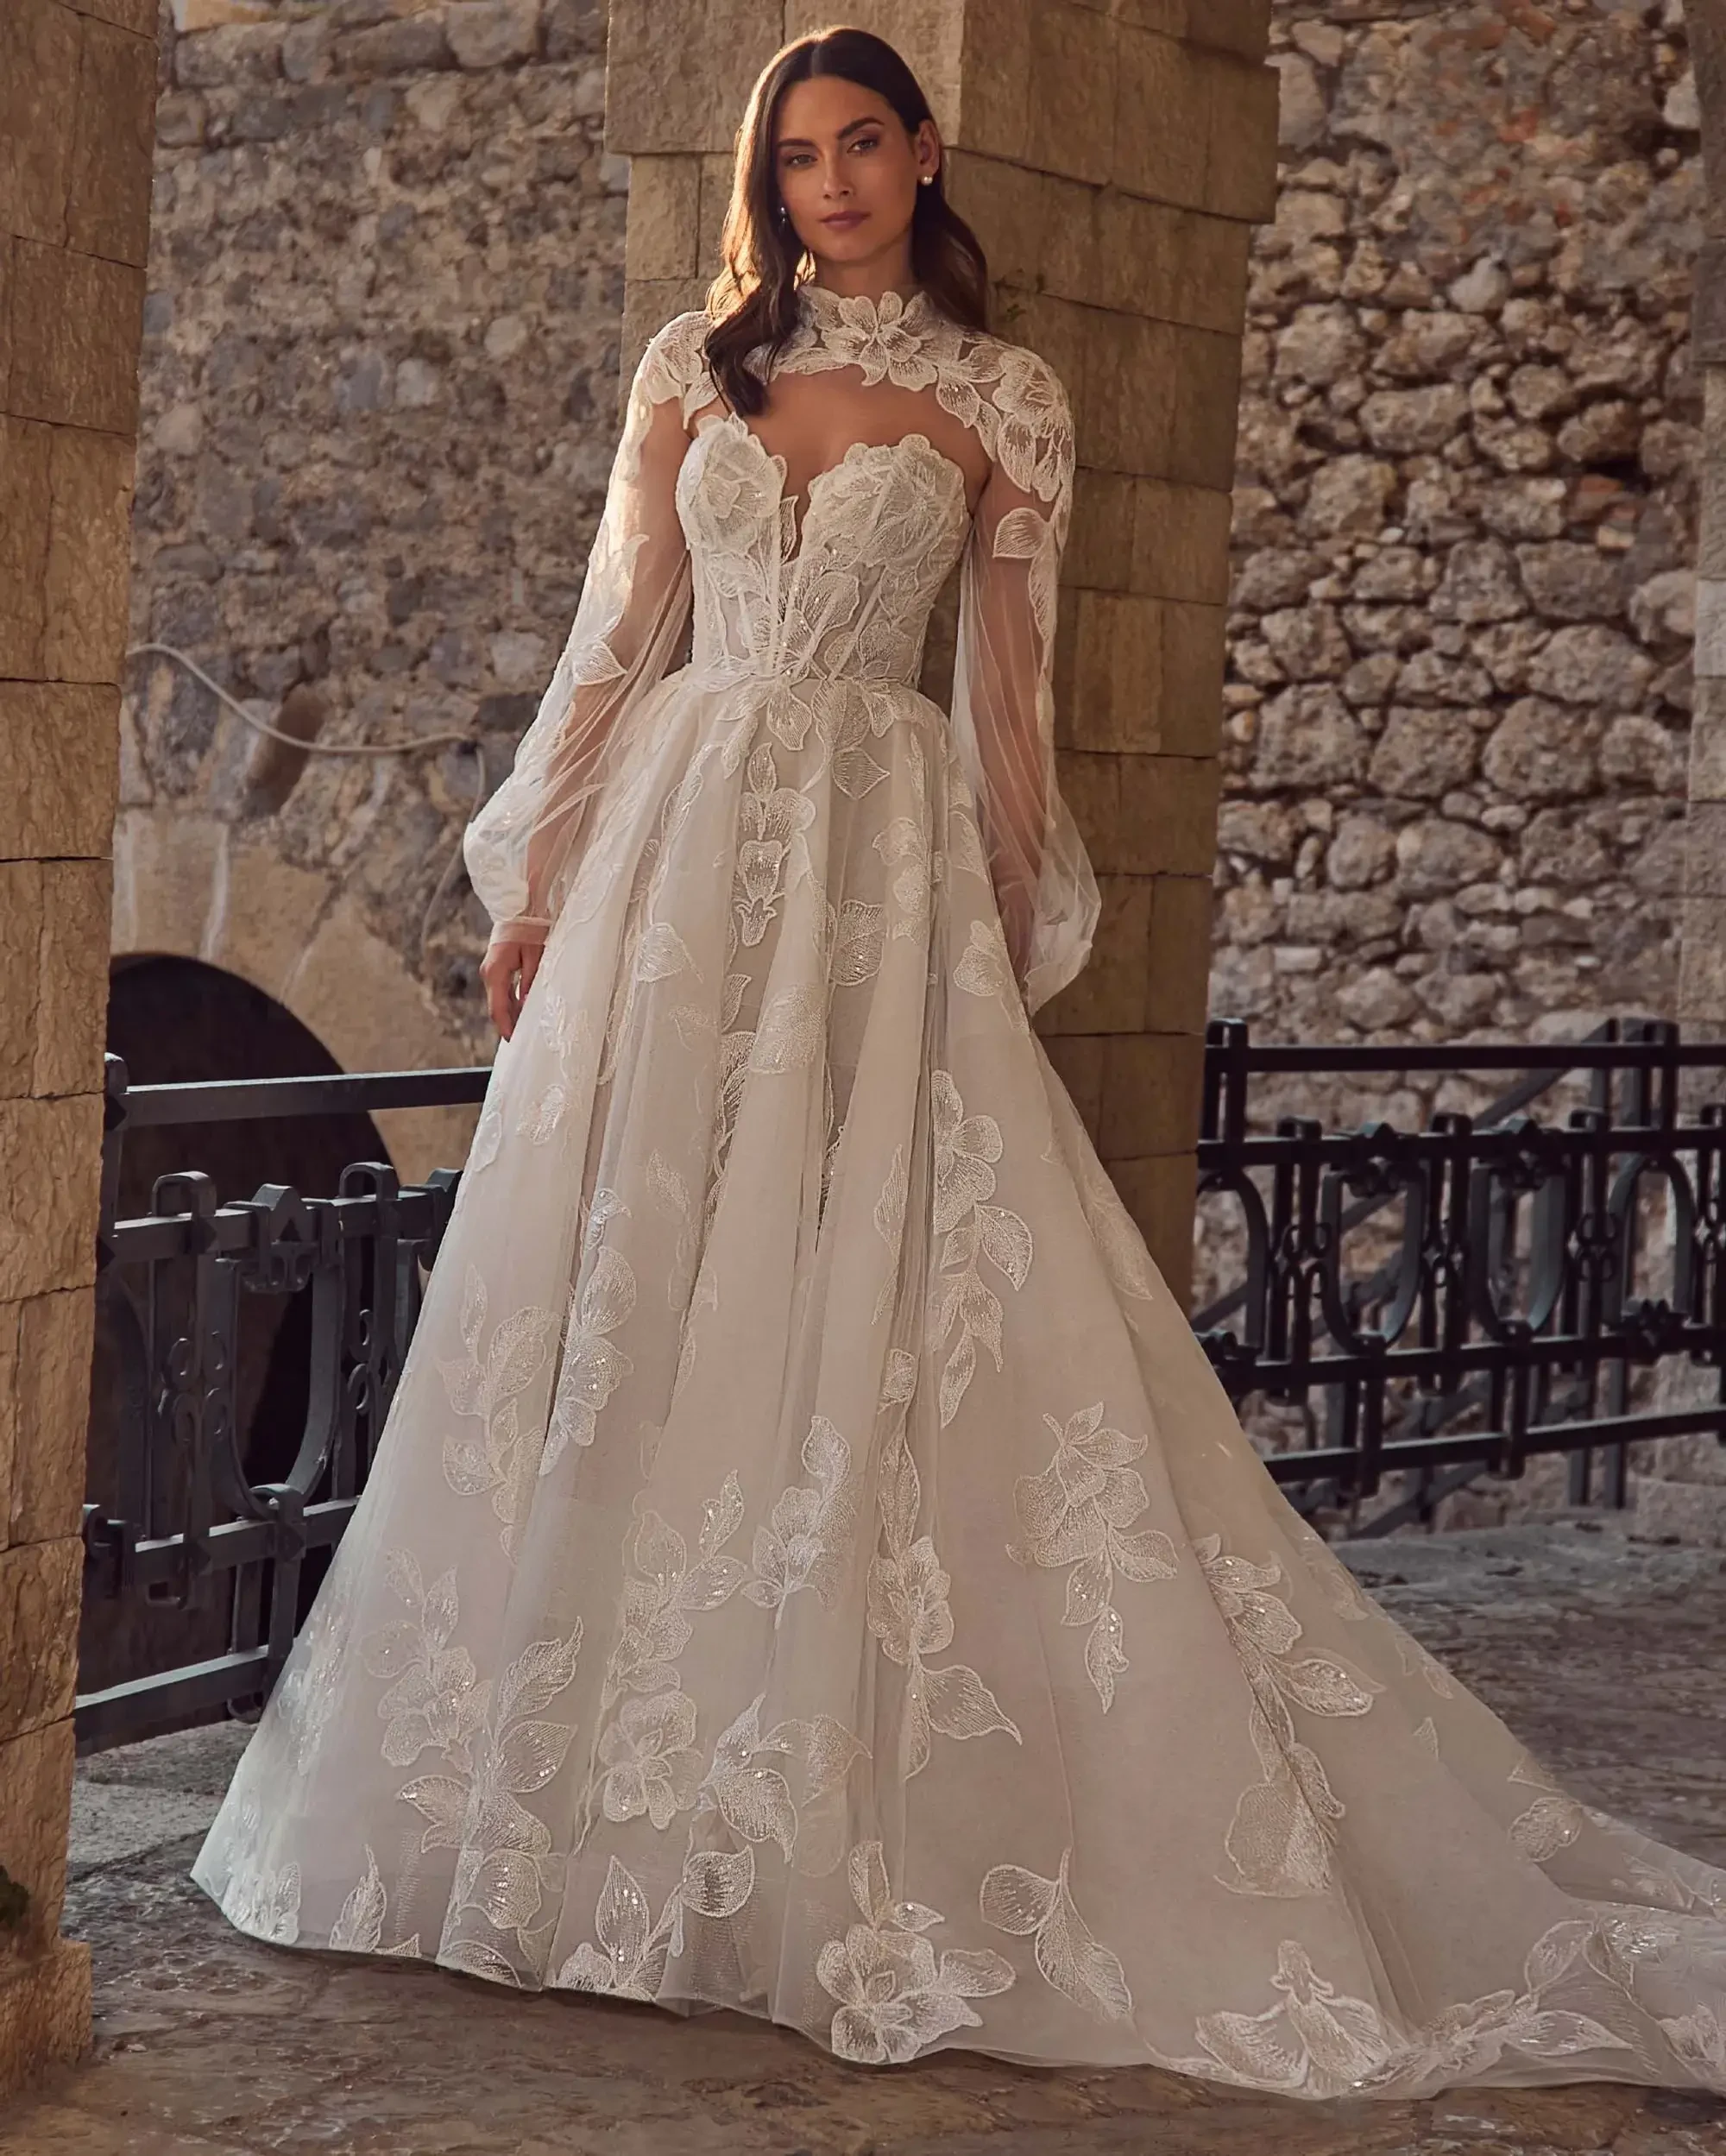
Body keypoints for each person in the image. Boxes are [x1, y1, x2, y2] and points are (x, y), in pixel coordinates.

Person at [192, 24, 1726, 2100]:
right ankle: (580, 1810)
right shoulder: (690, 368)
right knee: (630, 1284)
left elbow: (1013, 691)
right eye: (793, 155)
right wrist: (535, 881)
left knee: (849, 1282)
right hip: (675, 855)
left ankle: (805, 1802)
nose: (824, 183)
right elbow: (615, 636)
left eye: (858, 144)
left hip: (872, 865)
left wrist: (1004, 930)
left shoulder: (1006, 399)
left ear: (924, 154)